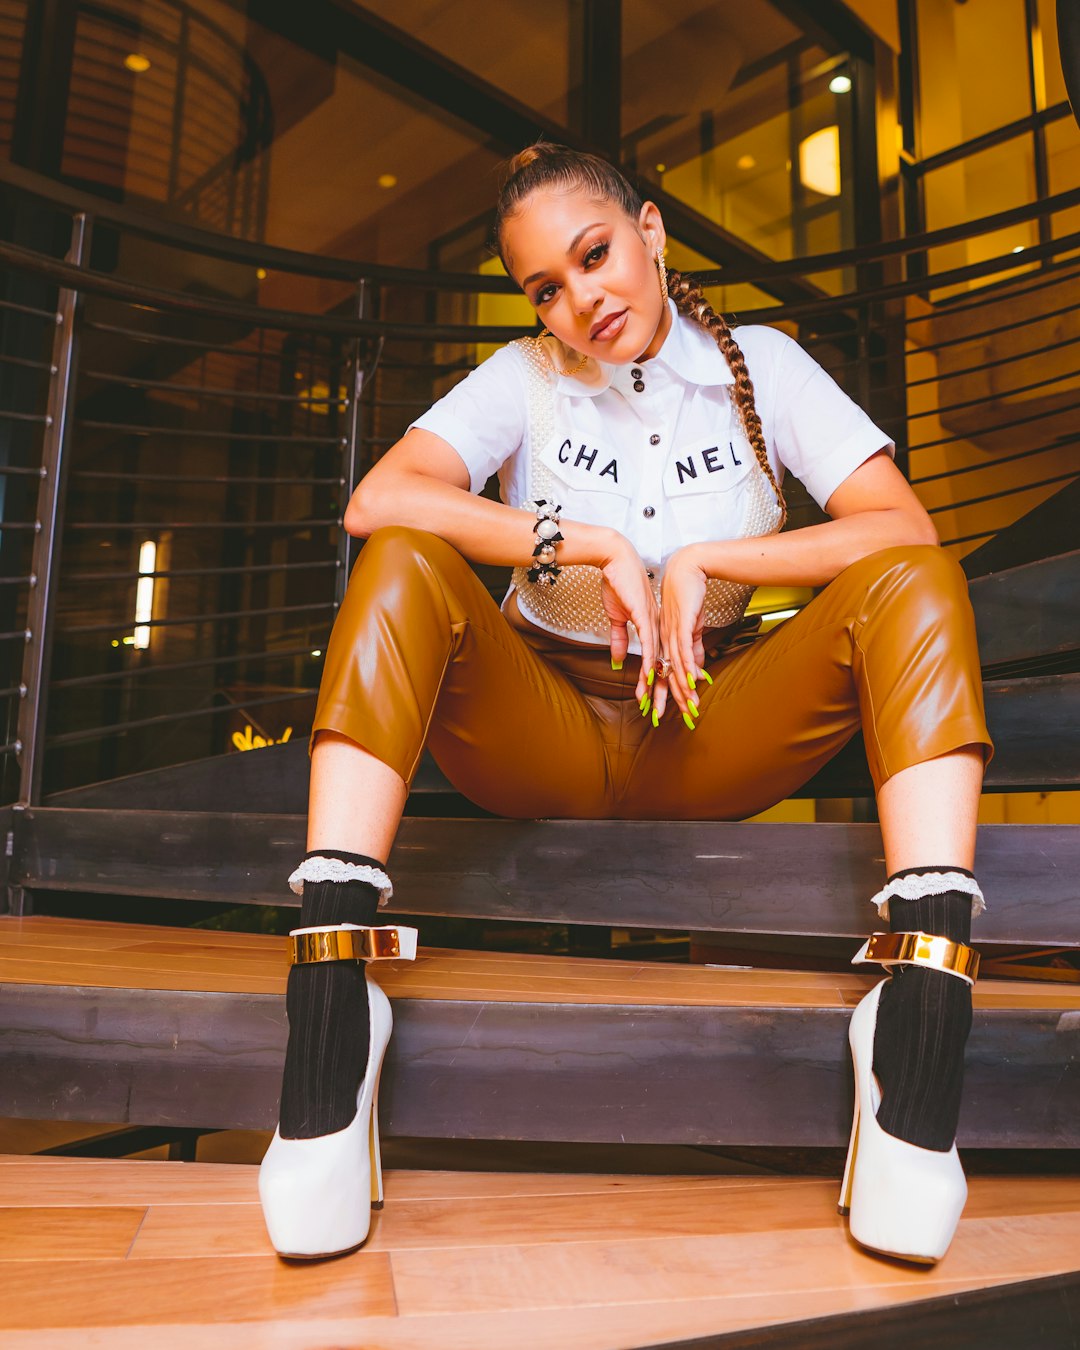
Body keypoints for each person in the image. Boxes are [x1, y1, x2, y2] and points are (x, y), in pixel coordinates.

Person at [258, 143, 994, 1265]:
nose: (579, 299)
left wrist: (715, 557)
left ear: (650, 230)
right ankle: (331, 1003)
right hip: (542, 727)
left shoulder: (766, 366)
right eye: (545, 286)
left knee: (922, 584)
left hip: (710, 725)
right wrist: (579, 541)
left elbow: (904, 528)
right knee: (403, 557)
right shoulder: (522, 378)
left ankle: (921, 1010)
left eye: (594, 254)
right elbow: (379, 498)